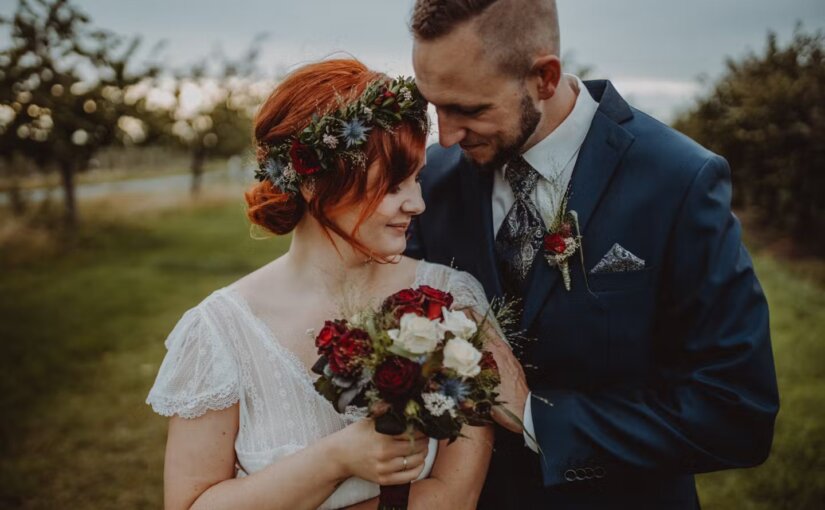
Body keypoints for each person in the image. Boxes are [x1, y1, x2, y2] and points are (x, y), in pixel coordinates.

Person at [405, 1, 780, 508]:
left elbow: (736, 412)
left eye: (469, 109)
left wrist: (538, 418)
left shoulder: (678, 181)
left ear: (544, 76)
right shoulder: (432, 184)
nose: (445, 136)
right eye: (435, 106)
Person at [146, 59, 495, 510]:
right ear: (315, 185)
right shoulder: (219, 331)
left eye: (417, 179)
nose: (418, 203)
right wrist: (336, 458)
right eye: (393, 185)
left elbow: (454, 497)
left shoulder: (452, 302)